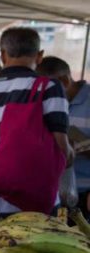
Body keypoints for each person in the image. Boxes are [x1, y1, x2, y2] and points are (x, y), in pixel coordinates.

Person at [0, 27, 72, 214]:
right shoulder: (49, 88)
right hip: (36, 208)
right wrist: (71, 154)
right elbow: (62, 149)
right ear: (39, 56)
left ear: (3, 55)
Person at [37, 56, 90, 214]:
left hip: (84, 195)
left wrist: (75, 144)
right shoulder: (46, 102)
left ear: (65, 81)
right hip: (51, 195)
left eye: (48, 87)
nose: (45, 93)